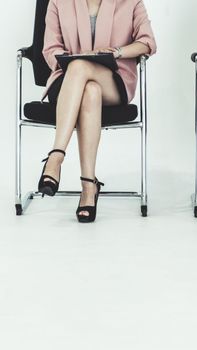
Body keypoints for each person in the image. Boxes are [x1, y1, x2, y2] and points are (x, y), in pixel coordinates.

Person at [39, 0, 156, 223]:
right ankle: (88, 187)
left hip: (113, 80)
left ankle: (55, 157)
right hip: (66, 82)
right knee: (89, 88)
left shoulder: (131, 2)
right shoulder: (57, 2)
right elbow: (50, 48)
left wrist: (118, 52)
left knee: (82, 69)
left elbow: (147, 42)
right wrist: (72, 62)